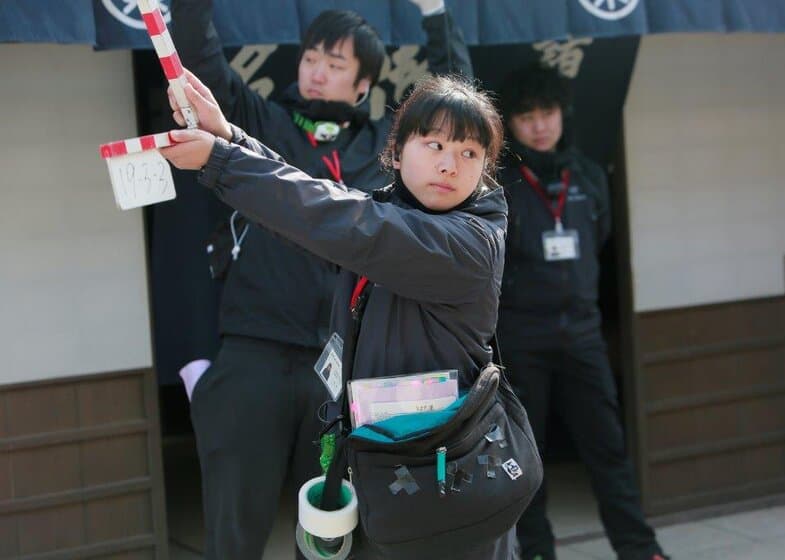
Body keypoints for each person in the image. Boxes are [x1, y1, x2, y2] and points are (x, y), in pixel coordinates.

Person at [161, 73, 510, 558]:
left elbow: (346, 222)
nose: (450, 165)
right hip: (376, 462)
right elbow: (327, 208)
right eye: (434, 144)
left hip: (444, 480)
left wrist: (223, 161)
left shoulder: (473, 239)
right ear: (398, 149)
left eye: (470, 153)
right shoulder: (387, 214)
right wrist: (229, 137)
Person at [496, 64, 669, 560]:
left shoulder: (590, 176)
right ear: (511, 123)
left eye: (547, 113)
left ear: (562, 115)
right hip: (522, 339)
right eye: (527, 116)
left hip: (584, 336)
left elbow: (603, 238)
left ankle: (640, 548)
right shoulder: (501, 185)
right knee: (526, 459)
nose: (539, 126)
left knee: (609, 450)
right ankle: (535, 551)